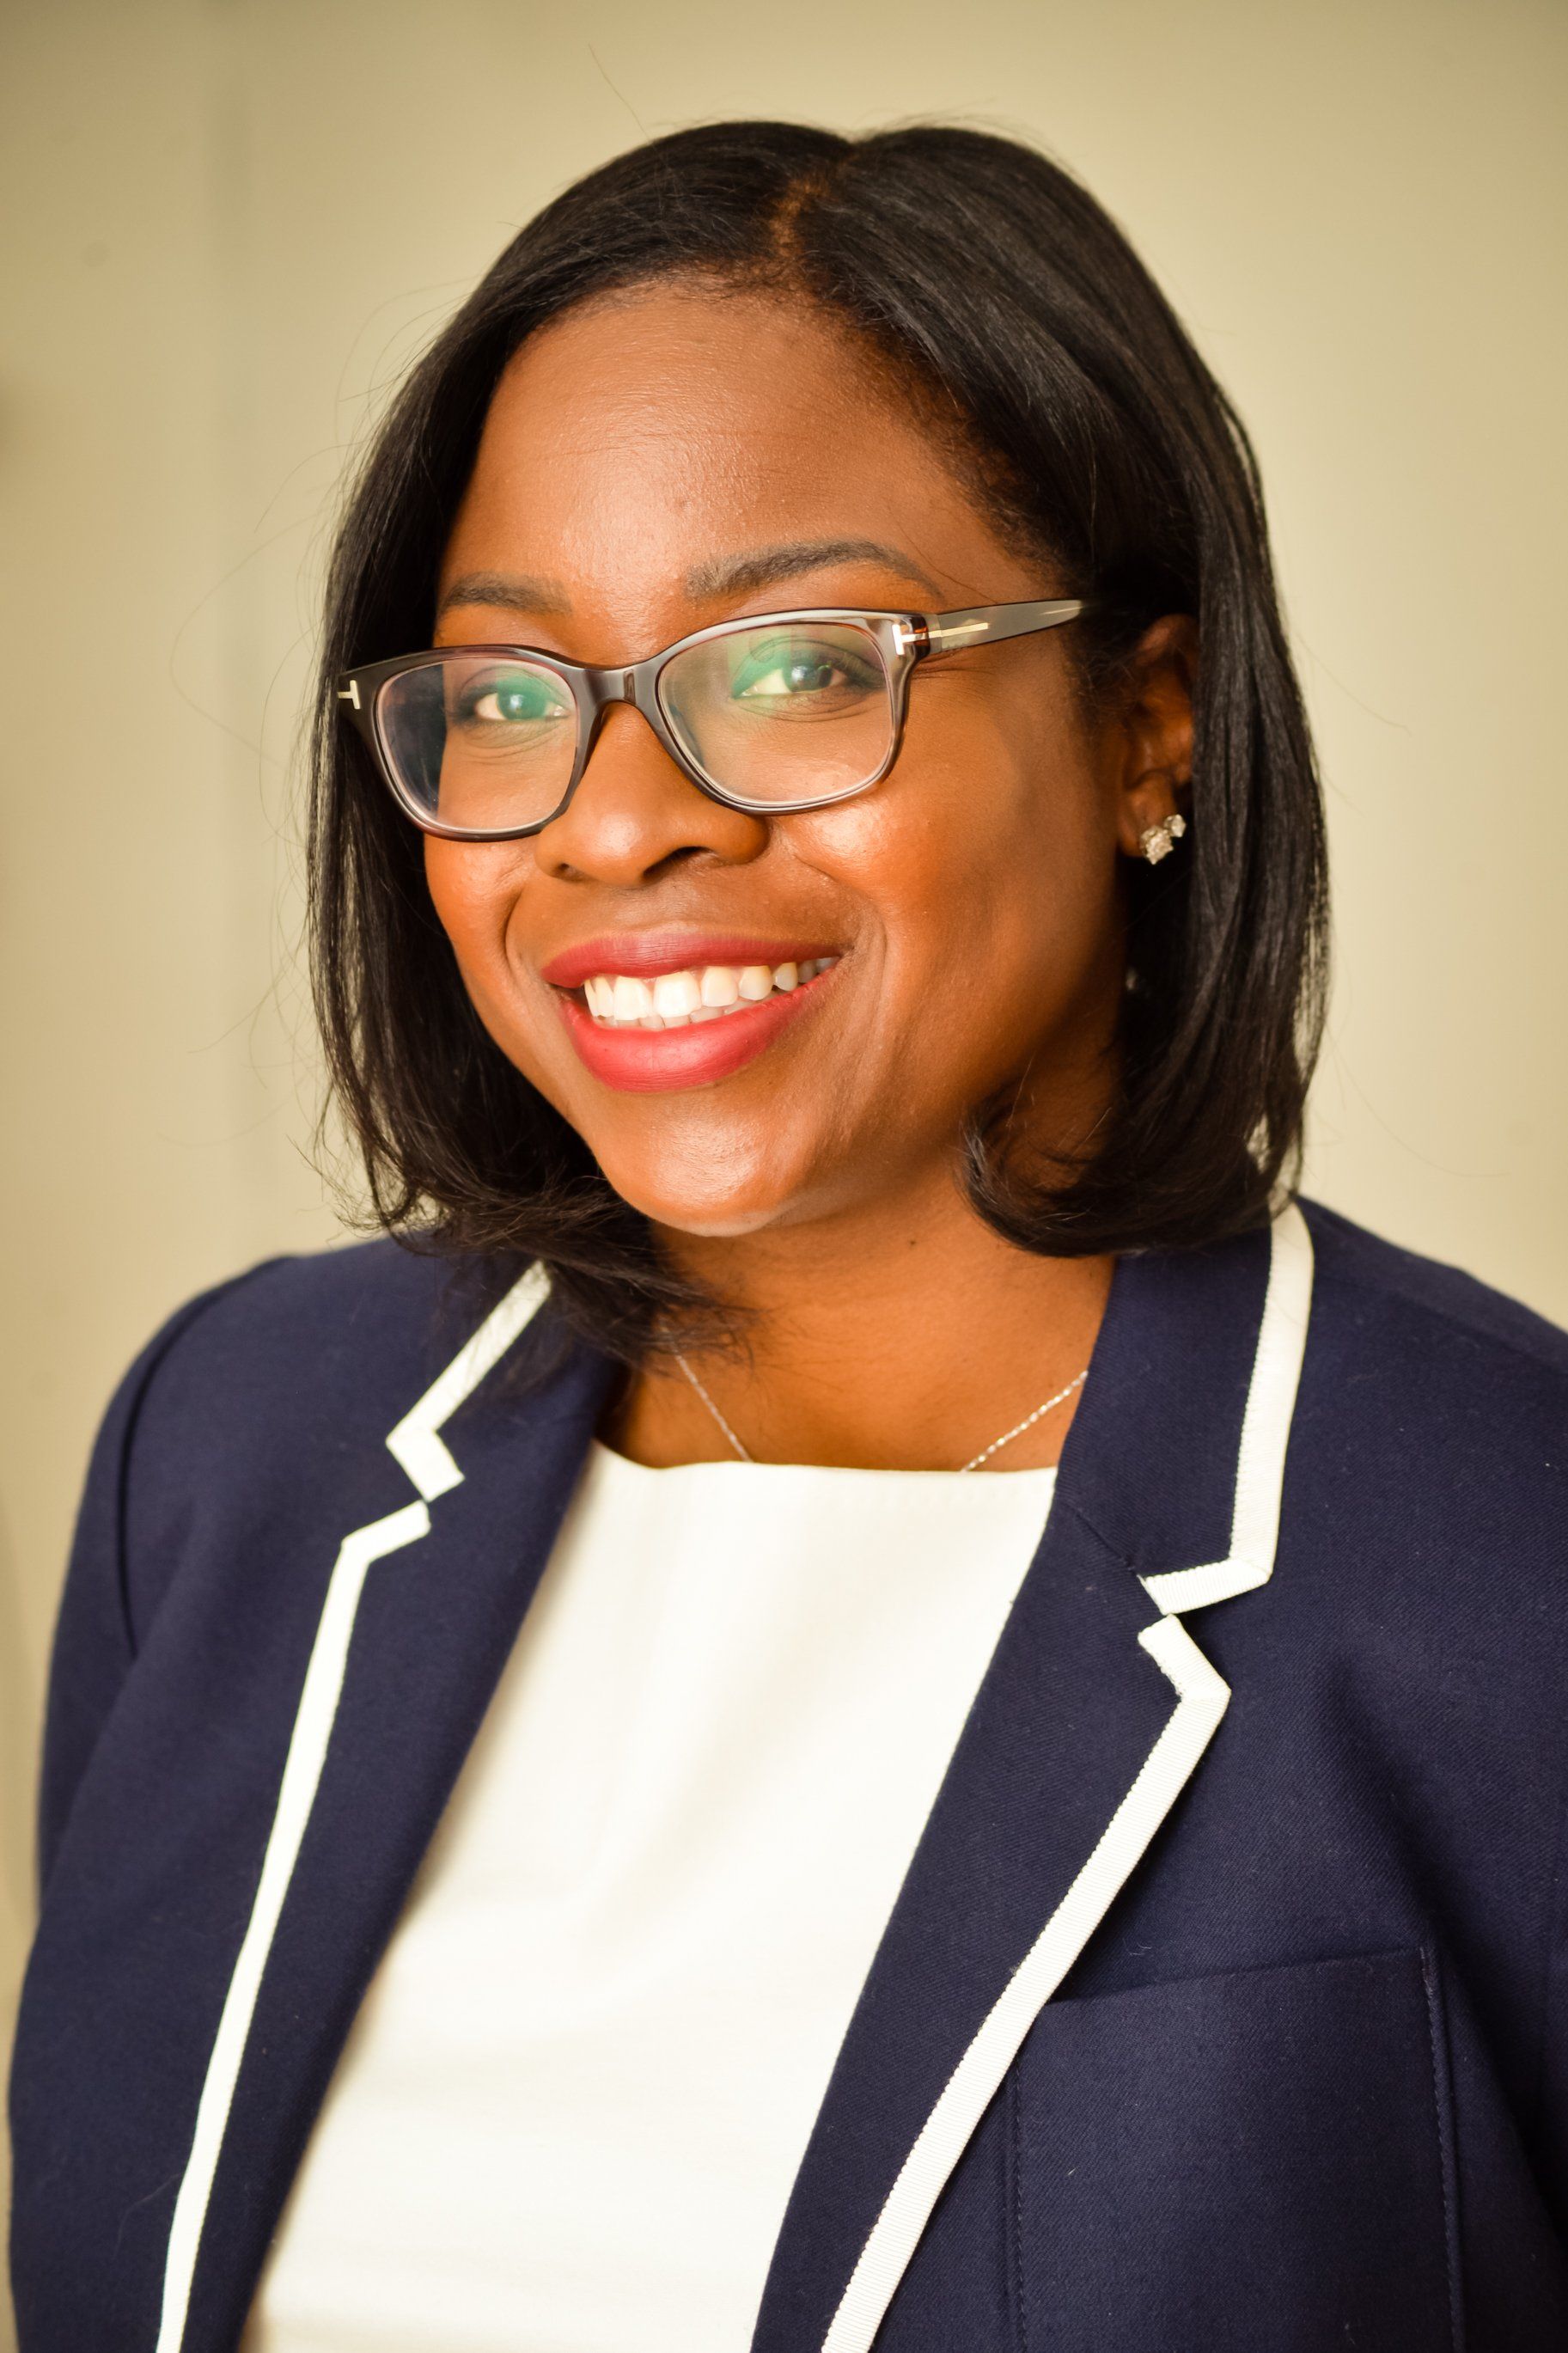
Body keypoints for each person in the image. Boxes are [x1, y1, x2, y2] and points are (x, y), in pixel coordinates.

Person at [9, 119, 1567, 2353]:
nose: (620, 821)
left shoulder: (1509, 1549)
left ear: (1148, 718)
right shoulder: (239, 1451)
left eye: (799, 665)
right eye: (510, 692)